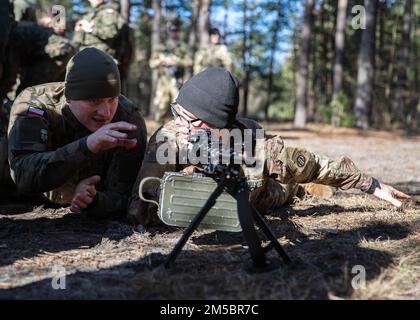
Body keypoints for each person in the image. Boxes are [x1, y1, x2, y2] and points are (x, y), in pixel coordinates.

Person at [127, 67, 411, 226]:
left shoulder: (255, 147)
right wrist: (181, 185)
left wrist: (371, 184)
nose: (182, 124)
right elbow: (137, 209)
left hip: (262, 195)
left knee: (288, 189)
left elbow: (313, 164)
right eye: (178, 114)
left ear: (217, 124)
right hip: (203, 203)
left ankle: (301, 188)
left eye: (192, 120)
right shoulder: (169, 137)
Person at [7, 47, 147, 218]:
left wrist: (94, 199)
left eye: (112, 99)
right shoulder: (35, 104)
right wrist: (87, 146)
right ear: (69, 98)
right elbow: (23, 175)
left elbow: (127, 195)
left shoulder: (128, 118)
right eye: (93, 100)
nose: (105, 112)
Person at [72, 0, 133, 94]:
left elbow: (110, 33)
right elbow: (76, 41)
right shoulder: (89, 14)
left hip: (101, 61)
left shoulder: (108, 12)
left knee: (104, 96)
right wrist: (78, 30)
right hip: (86, 60)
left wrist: (91, 28)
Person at [149, 19, 192, 125]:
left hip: (177, 82)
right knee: (160, 110)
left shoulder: (183, 47)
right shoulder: (161, 47)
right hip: (163, 83)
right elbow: (152, 63)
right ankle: (157, 136)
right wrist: (162, 61)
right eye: (171, 30)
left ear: (179, 32)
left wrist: (176, 62)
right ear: (168, 31)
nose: (174, 32)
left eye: (176, 30)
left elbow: (189, 62)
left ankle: (181, 134)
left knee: (179, 110)